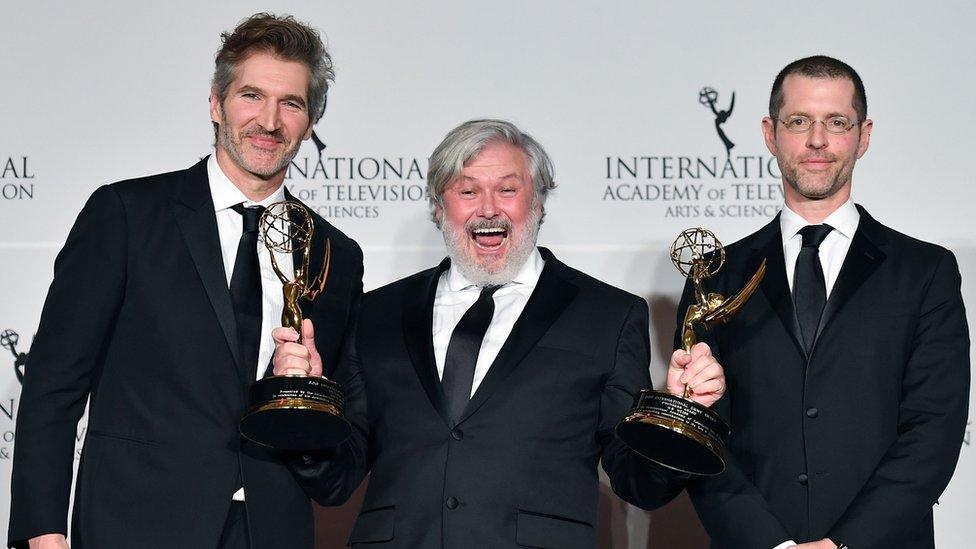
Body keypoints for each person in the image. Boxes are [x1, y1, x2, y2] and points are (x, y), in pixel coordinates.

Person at [277, 119, 726, 548]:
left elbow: (638, 483)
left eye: (507, 190)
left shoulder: (608, 315)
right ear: (439, 206)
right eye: (467, 191)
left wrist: (677, 420)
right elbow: (336, 479)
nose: (488, 208)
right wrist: (304, 403)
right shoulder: (377, 312)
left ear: (538, 202)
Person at [8, 13, 363, 549]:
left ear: (309, 122)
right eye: (250, 95)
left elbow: (338, 453)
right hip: (133, 526)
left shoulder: (336, 255)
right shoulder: (127, 215)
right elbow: (53, 384)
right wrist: (43, 531)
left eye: (290, 103)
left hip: (273, 531)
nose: (269, 121)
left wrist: (306, 399)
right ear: (216, 104)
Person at [682, 55, 970, 549]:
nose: (818, 140)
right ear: (771, 134)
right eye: (799, 122)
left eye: (837, 122)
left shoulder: (925, 272)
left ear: (865, 135)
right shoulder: (717, 274)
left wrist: (845, 544)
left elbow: (933, 432)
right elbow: (702, 434)